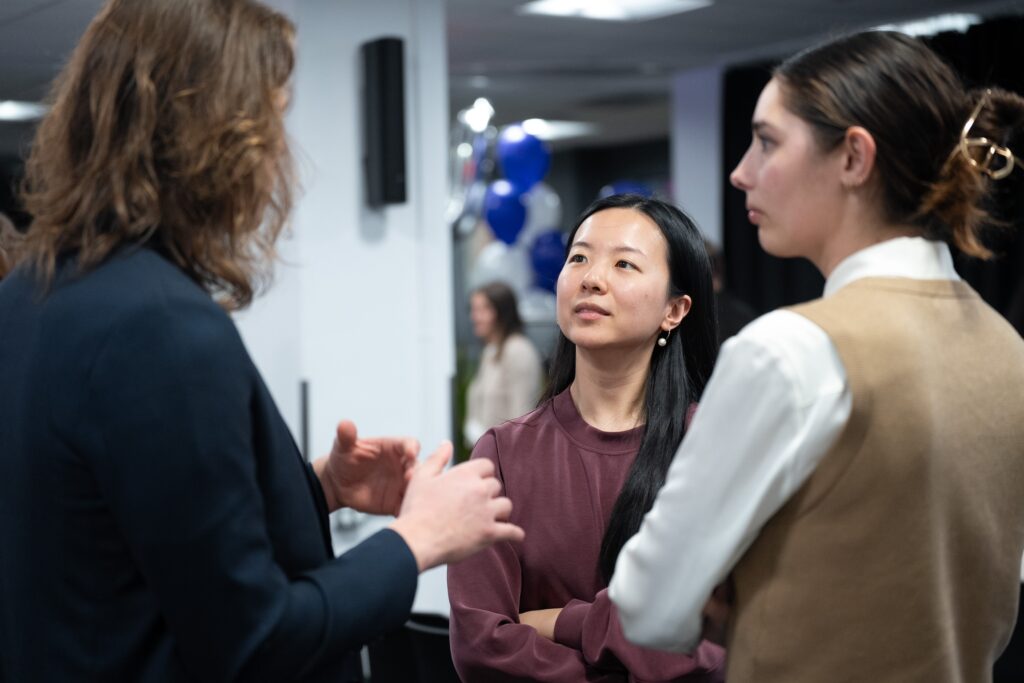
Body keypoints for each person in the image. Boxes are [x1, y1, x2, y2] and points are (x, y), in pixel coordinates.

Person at [0, 1, 523, 681]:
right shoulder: (162, 325)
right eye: (274, 117)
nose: (282, 152)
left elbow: (130, 537)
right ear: (217, 137)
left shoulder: (30, 294)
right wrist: (416, 539)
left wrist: (315, 487)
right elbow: (255, 642)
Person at [608, 30, 1024, 683]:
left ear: (853, 157)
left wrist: (736, 592)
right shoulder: (1007, 348)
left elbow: (646, 603)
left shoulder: (789, 352)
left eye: (768, 141)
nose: (741, 171)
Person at [448, 194, 726, 682]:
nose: (591, 278)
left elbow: (727, 643)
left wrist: (567, 622)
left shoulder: (714, 448)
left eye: (624, 264)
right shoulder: (503, 454)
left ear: (675, 310)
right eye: (578, 258)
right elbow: (480, 645)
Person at [464, 281, 543, 445]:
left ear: (502, 312)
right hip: (488, 453)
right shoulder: (490, 352)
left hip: (508, 455)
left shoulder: (518, 351)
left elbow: (523, 417)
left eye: (482, 310)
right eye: (474, 310)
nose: (474, 317)